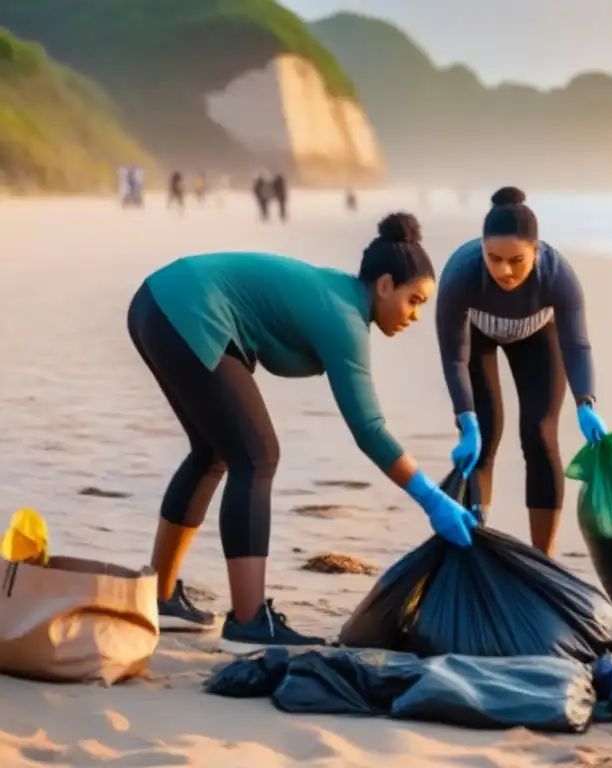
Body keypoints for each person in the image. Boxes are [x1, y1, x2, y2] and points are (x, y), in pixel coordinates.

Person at [127, 213, 478, 653]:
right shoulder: (345, 318)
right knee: (256, 457)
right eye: (414, 300)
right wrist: (432, 499)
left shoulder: (339, 297)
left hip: (156, 302)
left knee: (214, 451)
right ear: (385, 285)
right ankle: (249, 621)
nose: (416, 315)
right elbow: (369, 430)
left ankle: (159, 599)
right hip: (185, 309)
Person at [435, 186, 608, 557]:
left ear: (537, 250)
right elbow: (454, 357)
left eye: (517, 260)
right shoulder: (462, 274)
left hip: (536, 336)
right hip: (477, 338)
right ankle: (473, 549)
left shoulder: (558, 276)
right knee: (484, 439)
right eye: (493, 258)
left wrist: (586, 402)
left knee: (540, 437)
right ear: (481, 248)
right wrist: (464, 418)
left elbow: (576, 344)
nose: (504, 270)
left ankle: (542, 558)